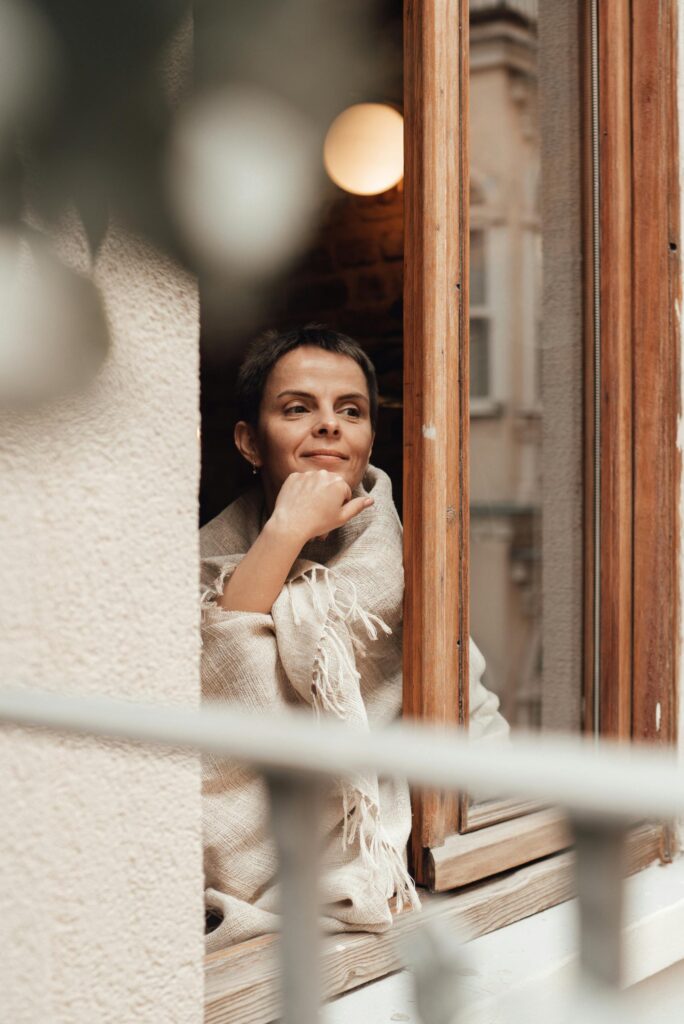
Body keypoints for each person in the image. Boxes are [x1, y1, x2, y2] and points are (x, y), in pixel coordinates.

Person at [199, 323, 507, 953]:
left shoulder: (415, 556)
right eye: (296, 409)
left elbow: (469, 709)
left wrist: (492, 842)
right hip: (255, 878)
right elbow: (216, 689)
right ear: (250, 442)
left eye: (351, 411)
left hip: (400, 874)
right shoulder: (205, 559)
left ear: (369, 437)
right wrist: (285, 531)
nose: (329, 425)